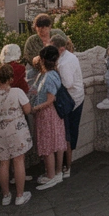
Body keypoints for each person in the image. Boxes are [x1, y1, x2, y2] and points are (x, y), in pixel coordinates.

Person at [0, 63, 33, 206]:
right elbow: (27, 110)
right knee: (18, 161)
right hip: (16, 129)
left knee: (3, 163)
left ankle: (6, 195)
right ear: (11, 78)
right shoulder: (17, 92)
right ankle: (20, 195)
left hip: (0, 130)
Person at [31, 46, 67, 191]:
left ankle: (51, 175)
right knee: (57, 142)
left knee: (47, 144)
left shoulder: (48, 76)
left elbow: (50, 99)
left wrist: (35, 108)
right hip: (55, 113)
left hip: (47, 114)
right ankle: (57, 172)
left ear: (43, 59)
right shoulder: (54, 73)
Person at [52, 33, 85, 179]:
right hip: (77, 97)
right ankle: (66, 165)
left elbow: (67, 83)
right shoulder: (70, 57)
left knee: (68, 133)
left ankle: (67, 166)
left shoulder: (64, 63)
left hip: (71, 100)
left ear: (61, 49)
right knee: (70, 131)